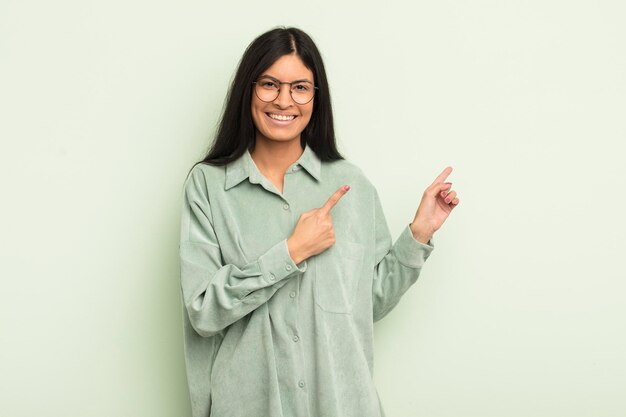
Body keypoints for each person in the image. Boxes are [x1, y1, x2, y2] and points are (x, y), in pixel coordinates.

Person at [179, 26, 459, 417]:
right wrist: (290, 252)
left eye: (300, 87)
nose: (284, 100)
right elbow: (203, 310)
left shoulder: (351, 186)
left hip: (341, 404)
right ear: (248, 90)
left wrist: (419, 234)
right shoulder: (208, 185)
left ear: (315, 97)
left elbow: (367, 303)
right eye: (269, 84)